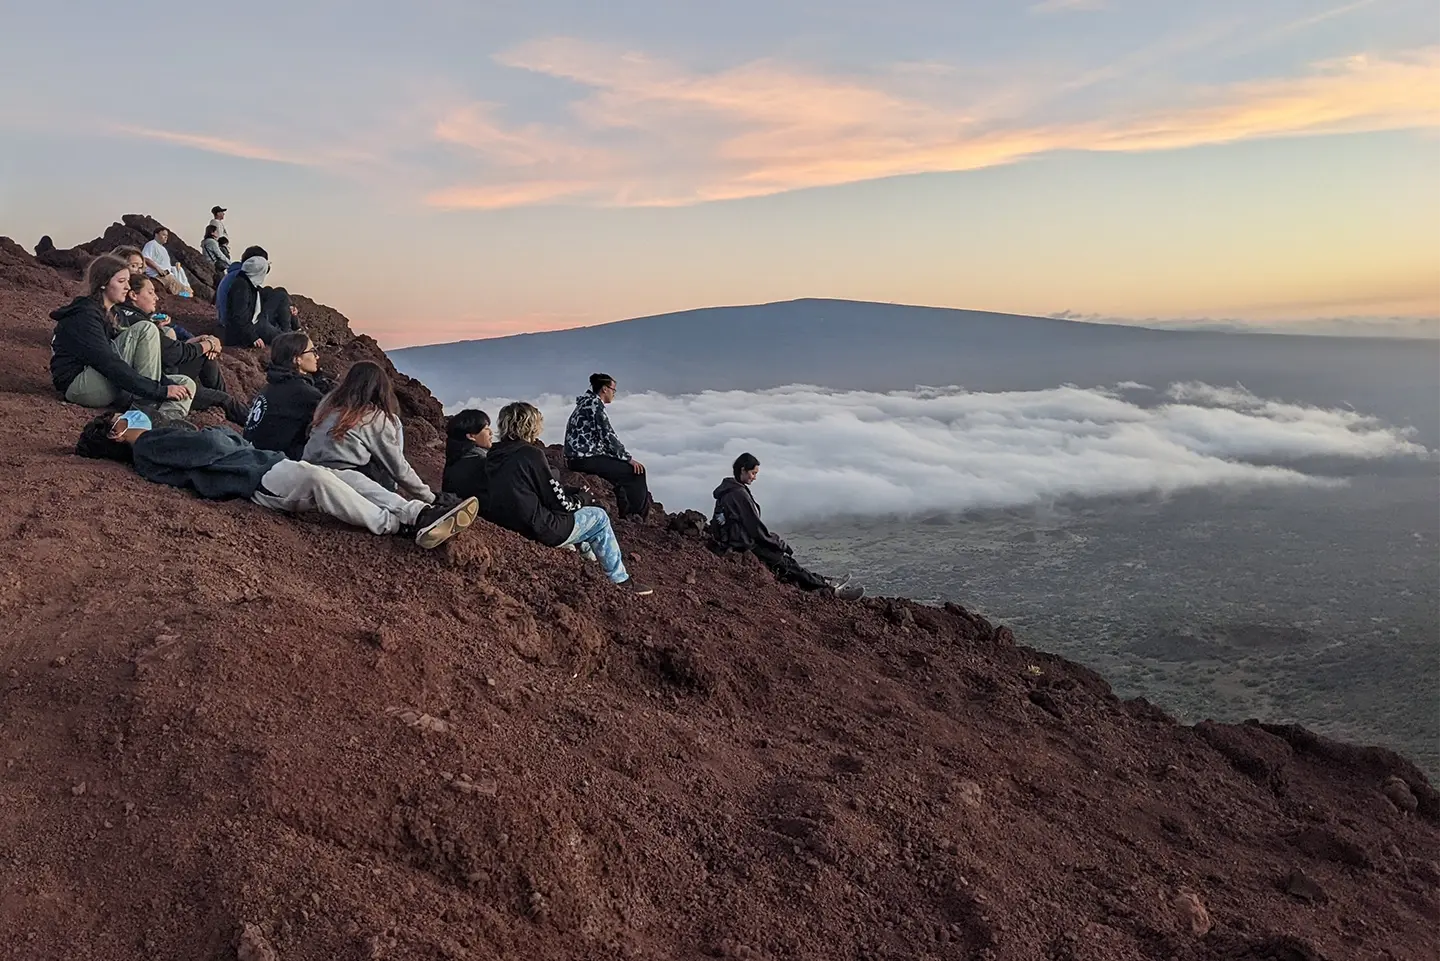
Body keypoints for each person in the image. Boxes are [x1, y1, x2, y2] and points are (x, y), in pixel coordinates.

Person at [75, 409, 478, 549]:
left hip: (261, 467)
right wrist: (221, 432)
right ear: (115, 432)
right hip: (257, 476)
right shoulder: (150, 444)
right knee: (318, 478)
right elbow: (214, 446)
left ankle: (419, 510)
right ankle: (398, 524)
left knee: (339, 476)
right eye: (120, 419)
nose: (129, 415)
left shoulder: (154, 444)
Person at [485, 402, 652, 595]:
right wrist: (582, 498)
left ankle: (589, 563)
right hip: (537, 529)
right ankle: (620, 580)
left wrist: (569, 492)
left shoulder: (494, 453)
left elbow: (529, 488)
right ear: (530, 425)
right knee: (598, 517)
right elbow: (558, 503)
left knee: (581, 516)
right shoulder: (530, 454)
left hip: (510, 524)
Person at [49, 255, 195, 420]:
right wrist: (158, 391)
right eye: (121, 281)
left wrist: (164, 385)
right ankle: (142, 413)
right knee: (146, 329)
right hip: (81, 385)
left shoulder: (115, 313)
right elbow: (108, 362)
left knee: (185, 383)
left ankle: (162, 425)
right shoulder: (85, 315)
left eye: (127, 281)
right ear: (103, 283)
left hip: (107, 379)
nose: (127, 287)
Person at [710, 453, 864, 600]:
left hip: (735, 539)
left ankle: (824, 580)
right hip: (743, 542)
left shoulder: (727, 489)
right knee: (784, 562)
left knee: (786, 561)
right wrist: (780, 544)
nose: (755, 478)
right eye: (753, 473)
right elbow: (756, 529)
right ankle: (833, 591)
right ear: (743, 469)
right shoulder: (739, 494)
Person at [115, 274, 248, 424]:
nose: (156, 298)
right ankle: (248, 421)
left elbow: (169, 350)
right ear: (133, 295)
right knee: (225, 399)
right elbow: (172, 354)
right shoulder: (138, 322)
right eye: (150, 292)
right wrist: (208, 345)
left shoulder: (131, 316)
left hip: (162, 373)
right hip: (154, 385)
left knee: (205, 357)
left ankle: (228, 408)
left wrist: (200, 343)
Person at [302, 361, 434, 503]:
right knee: (394, 425)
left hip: (307, 470)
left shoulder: (327, 403)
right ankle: (393, 493)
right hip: (347, 477)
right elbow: (399, 469)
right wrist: (430, 497)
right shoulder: (375, 418)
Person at [564, 373, 650, 519]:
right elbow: (608, 436)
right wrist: (628, 458)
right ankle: (636, 516)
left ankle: (627, 513)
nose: (614, 393)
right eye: (613, 389)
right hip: (584, 458)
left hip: (579, 456)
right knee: (636, 472)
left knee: (620, 471)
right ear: (604, 389)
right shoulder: (595, 406)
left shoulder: (586, 403)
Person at [244, 332, 334, 459]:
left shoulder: (271, 387)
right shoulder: (304, 394)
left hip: (254, 456)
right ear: (297, 359)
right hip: (276, 463)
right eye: (313, 351)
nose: (317, 356)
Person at [218, 246, 299, 347]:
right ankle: (289, 335)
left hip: (249, 318)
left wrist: (289, 308)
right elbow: (238, 315)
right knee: (284, 340)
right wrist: (253, 337)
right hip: (248, 325)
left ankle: (290, 330)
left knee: (280, 293)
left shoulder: (243, 276)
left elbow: (260, 293)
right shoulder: (240, 284)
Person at [441, 408, 492, 506]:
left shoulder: (454, 459)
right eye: (486, 428)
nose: (491, 432)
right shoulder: (482, 462)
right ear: (471, 436)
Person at [140, 227, 193, 298]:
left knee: (189, 292)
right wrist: (158, 269)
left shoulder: (163, 248)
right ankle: (180, 296)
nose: (166, 237)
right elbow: (145, 258)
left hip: (168, 275)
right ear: (156, 235)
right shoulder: (151, 244)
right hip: (161, 276)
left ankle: (178, 295)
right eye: (163, 235)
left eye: (167, 236)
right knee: (188, 294)